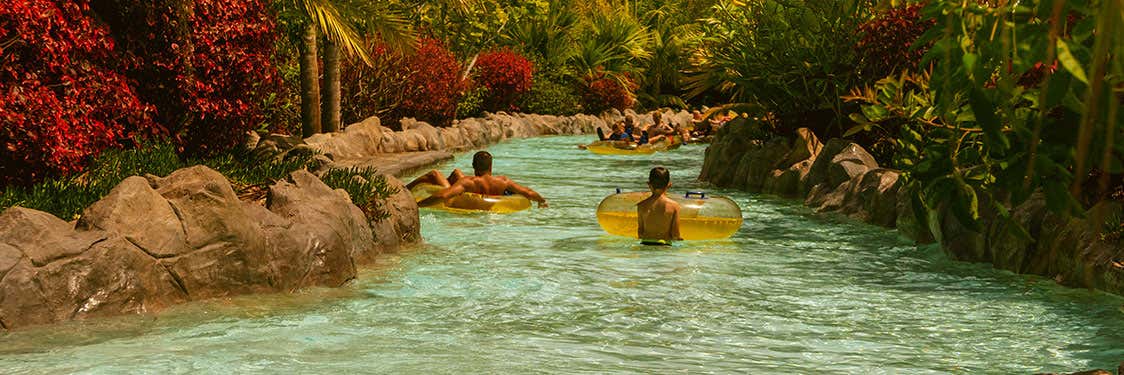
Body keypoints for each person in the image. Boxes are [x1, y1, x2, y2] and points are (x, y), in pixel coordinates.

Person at [408, 151, 548, 208]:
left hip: (463, 201)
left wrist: (418, 206)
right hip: (490, 204)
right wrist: (542, 201)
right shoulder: (503, 181)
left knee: (434, 174)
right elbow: (528, 193)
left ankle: (403, 190)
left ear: (474, 166)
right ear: (491, 166)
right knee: (456, 173)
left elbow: (444, 195)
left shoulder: (469, 182)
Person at [637, 166, 681, 245]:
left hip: (645, 244)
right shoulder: (674, 206)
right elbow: (675, 234)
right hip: (664, 246)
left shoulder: (641, 205)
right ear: (669, 184)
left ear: (648, 184)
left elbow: (640, 233)